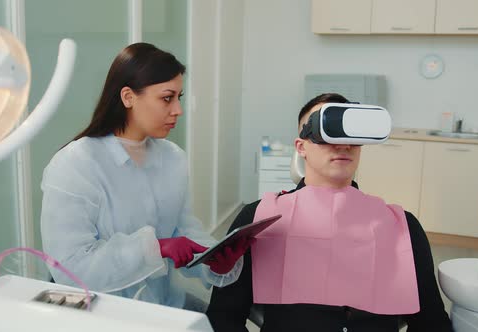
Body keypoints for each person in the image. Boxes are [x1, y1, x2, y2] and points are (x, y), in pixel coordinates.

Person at [206, 93, 453, 331]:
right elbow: (223, 317)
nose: (342, 144)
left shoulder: (402, 226)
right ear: (301, 147)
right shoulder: (259, 218)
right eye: (327, 131)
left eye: (350, 134)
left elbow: (431, 323)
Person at [40, 43, 250, 310]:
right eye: (166, 98)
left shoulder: (173, 158)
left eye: (179, 97)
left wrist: (214, 257)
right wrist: (155, 248)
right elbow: (70, 267)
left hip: (161, 304)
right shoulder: (76, 164)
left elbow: (183, 229)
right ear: (128, 97)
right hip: (102, 314)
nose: (178, 110)